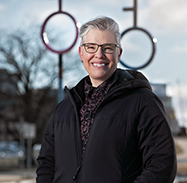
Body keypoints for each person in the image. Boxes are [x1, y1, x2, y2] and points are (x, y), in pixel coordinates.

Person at [36, 16, 177, 183]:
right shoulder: (63, 109)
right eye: (91, 47)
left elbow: (162, 164)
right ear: (81, 53)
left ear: (119, 53)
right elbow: (47, 164)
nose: (99, 54)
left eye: (108, 48)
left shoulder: (143, 102)